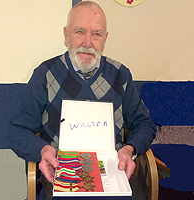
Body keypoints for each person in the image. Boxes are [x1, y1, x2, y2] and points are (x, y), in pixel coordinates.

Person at [8, 1, 156, 199]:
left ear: (105, 39)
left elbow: (145, 124)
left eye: (96, 34)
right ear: (66, 35)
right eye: (79, 32)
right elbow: (16, 130)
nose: (88, 42)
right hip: (61, 173)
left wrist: (130, 149)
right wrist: (42, 150)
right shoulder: (46, 74)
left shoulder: (120, 74)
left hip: (113, 173)